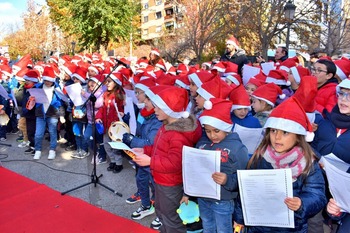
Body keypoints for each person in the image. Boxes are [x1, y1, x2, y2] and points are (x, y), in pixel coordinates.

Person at [234, 96, 327, 232]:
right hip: (259, 227)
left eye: (285, 132)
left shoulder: (307, 163)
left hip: (292, 228)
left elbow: (317, 195)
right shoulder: (260, 157)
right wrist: (240, 219)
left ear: (298, 135)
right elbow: (245, 193)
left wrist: (301, 203)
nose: (277, 137)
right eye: (273, 131)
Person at [132, 86, 202, 233]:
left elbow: (175, 163)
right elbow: (159, 148)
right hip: (161, 179)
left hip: (170, 184)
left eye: (159, 107)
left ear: (169, 109)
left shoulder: (177, 134)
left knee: (171, 218)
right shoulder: (167, 126)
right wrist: (145, 150)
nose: (155, 110)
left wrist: (150, 161)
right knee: (161, 212)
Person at [185, 98, 248, 233]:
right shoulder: (202, 144)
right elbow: (194, 171)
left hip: (223, 200)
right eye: (207, 131)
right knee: (207, 225)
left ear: (226, 128)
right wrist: (187, 193)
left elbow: (244, 179)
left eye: (216, 131)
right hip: (203, 198)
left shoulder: (237, 149)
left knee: (223, 229)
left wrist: (227, 180)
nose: (212, 135)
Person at [122, 78, 162, 221]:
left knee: (156, 187)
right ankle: (146, 206)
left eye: (139, 93)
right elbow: (140, 132)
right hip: (142, 156)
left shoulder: (156, 119)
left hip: (152, 158)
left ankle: (160, 213)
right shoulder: (143, 113)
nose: (137, 96)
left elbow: (150, 141)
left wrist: (132, 141)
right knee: (141, 181)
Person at [95, 72, 125, 173]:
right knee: (107, 145)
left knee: (115, 146)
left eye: (109, 82)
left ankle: (119, 163)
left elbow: (123, 108)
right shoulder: (106, 94)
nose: (107, 84)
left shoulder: (119, 95)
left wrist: (122, 113)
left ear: (116, 83)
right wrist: (98, 117)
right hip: (107, 126)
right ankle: (112, 161)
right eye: (106, 81)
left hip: (115, 127)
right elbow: (103, 108)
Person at [33, 66, 66, 160]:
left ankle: (52, 150)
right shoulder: (38, 87)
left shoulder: (56, 89)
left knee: (52, 132)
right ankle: (37, 150)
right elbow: (32, 100)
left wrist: (62, 115)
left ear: (53, 81)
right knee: (38, 134)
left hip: (53, 114)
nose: (47, 82)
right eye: (46, 80)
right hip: (40, 114)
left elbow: (60, 103)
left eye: (49, 81)